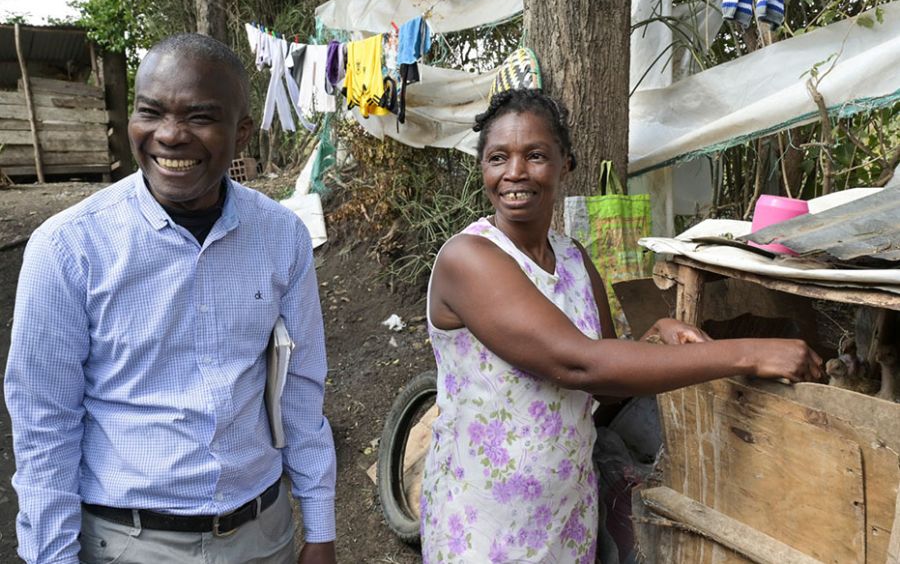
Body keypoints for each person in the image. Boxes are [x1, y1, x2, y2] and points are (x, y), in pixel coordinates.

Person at [419, 89, 823, 563]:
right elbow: (578, 364)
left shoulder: (570, 257)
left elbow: (606, 384)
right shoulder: (469, 259)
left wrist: (656, 335)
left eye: (534, 155)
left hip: (565, 513)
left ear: (564, 164)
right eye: (497, 158)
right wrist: (748, 352)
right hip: (485, 525)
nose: (515, 173)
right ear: (482, 169)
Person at [5, 34, 336, 564]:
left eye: (200, 117)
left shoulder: (281, 236)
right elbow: (45, 422)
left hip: (263, 535)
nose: (170, 135)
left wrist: (319, 527)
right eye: (151, 112)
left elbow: (300, 387)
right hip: (129, 544)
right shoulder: (68, 248)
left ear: (241, 132)